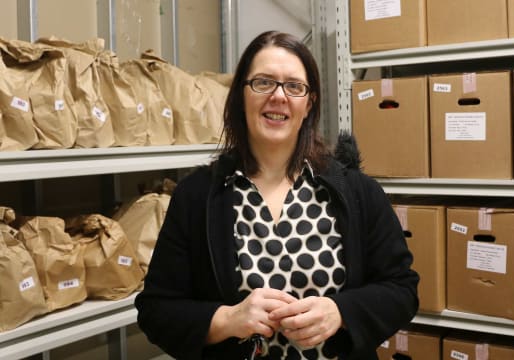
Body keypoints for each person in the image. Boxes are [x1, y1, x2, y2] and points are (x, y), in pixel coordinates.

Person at [135, 30, 419, 360]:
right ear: (241, 95)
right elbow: (156, 310)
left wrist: (340, 311)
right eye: (263, 82)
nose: (279, 96)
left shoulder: (357, 192)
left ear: (309, 102)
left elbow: (401, 289)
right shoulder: (197, 197)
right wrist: (227, 319)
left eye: (294, 86)